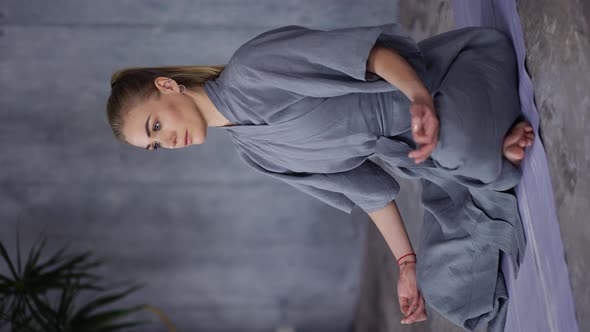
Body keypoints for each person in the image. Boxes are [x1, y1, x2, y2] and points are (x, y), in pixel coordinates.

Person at [106, 23, 534, 331]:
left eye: (155, 127)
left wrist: (419, 98)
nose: (166, 143)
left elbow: (371, 55)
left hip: (438, 85)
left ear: (167, 86)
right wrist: (406, 264)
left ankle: (488, 144)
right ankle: (491, 148)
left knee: (461, 146)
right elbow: (368, 191)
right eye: (155, 147)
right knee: (448, 290)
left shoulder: (254, 67)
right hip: (429, 161)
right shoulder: (255, 154)